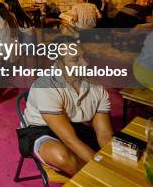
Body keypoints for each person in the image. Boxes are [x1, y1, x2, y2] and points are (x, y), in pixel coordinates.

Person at [19, 39, 113, 176]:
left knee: (116, 152)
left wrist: (112, 162)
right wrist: (105, 169)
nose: (85, 63)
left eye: (85, 56)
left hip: (75, 126)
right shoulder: (46, 87)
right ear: (59, 64)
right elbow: (70, 140)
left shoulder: (97, 89)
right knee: (61, 156)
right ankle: (100, 183)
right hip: (40, 129)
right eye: (75, 60)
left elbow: (104, 134)